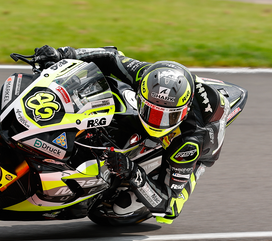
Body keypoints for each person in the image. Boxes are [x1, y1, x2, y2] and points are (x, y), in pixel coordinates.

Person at [34, 45, 239, 224]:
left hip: (201, 139)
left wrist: (133, 172)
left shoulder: (190, 142)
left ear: (183, 112)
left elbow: (168, 206)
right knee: (112, 100)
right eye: (152, 112)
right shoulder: (146, 75)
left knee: (115, 210)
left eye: (167, 117)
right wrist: (62, 54)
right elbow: (111, 57)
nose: (157, 122)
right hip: (173, 90)